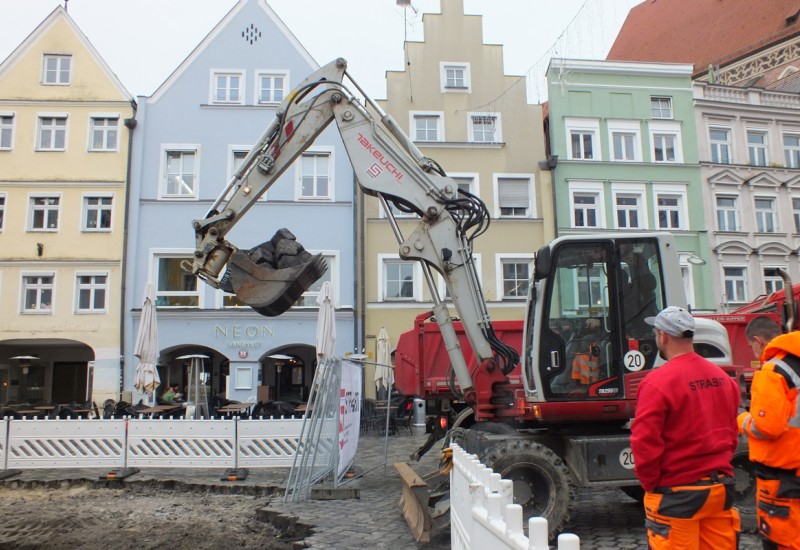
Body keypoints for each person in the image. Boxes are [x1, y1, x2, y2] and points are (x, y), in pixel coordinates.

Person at [630, 306, 741, 549]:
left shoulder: (656, 382)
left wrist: (651, 485)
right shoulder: (723, 379)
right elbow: (731, 433)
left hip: (677, 495)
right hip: (719, 489)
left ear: (663, 336)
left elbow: (645, 442)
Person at [739, 316, 800, 550]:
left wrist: (742, 420)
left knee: (781, 542)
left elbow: (767, 427)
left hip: (783, 480)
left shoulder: (773, 371)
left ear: (757, 341)